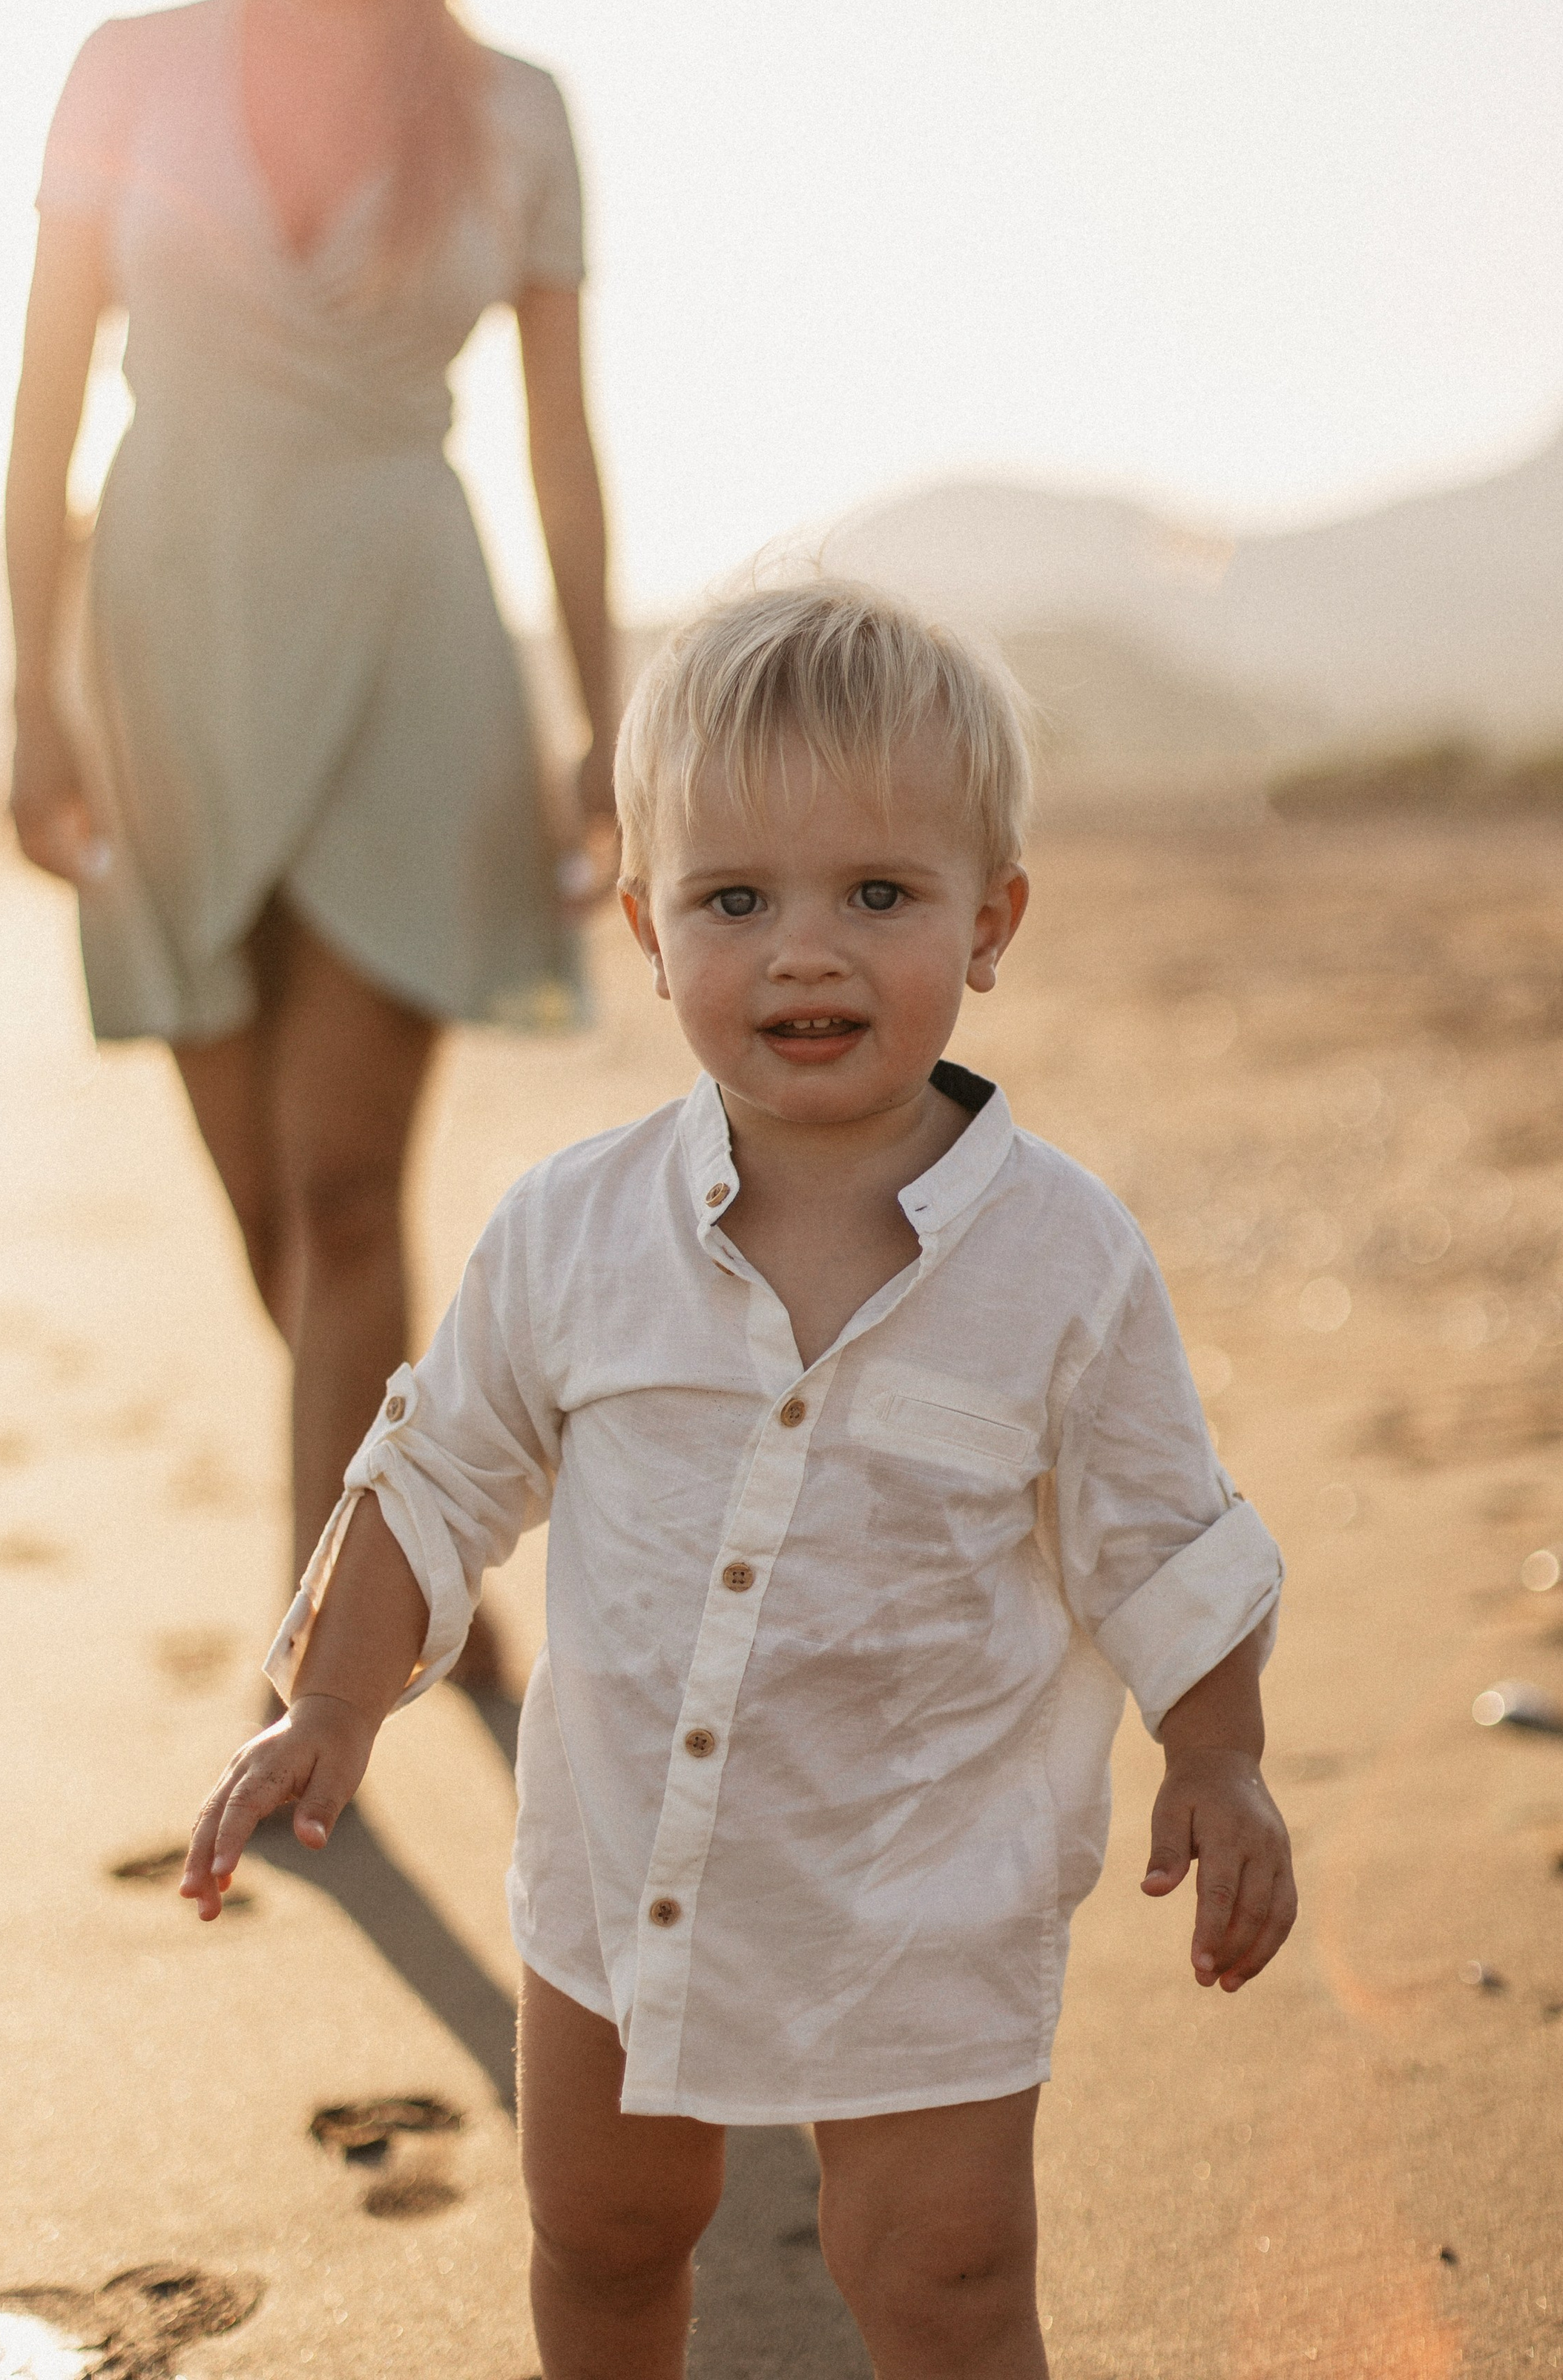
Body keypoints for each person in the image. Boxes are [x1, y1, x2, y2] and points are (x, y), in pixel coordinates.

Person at [180, 581, 1296, 2380]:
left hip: (919, 1889)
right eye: (732, 900)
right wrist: (328, 1699)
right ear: (642, 922)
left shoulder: (1061, 1263)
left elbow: (1161, 1538)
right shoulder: (570, 1230)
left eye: (876, 894)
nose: (802, 952)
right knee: (604, 2241)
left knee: (938, 2277)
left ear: (986, 918)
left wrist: (1220, 1759)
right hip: (627, 1872)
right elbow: (439, 1467)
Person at [3, 0, 616, 1673]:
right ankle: (426, 1544)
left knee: (349, 1193)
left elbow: (559, 445)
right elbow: (35, 410)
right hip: (167, 643)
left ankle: (316, 1678)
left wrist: (604, 726)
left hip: (413, 653)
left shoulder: (516, 108)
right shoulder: (124, 61)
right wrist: (32, 691)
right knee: (266, 1202)